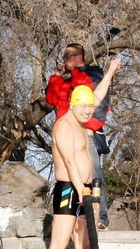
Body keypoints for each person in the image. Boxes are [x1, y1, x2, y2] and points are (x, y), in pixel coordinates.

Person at [47, 58, 122, 249]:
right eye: (84, 107)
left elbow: (96, 96)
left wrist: (110, 72)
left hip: (86, 190)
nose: (88, 111)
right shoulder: (64, 125)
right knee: (59, 245)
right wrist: (81, 191)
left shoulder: (82, 121)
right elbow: (69, 161)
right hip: (69, 190)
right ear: (73, 105)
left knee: (85, 248)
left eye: (90, 108)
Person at [47, 44, 113, 230]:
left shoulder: (91, 75)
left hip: (85, 131)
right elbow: (52, 99)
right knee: (67, 173)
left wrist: (90, 127)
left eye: (68, 56)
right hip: (65, 132)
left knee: (93, 174)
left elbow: (95, 100)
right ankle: (71, 214)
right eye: (64, 56)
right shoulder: (67, 80)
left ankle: (100, 216)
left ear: (78, 57)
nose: (64, 60)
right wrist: (56, 78)